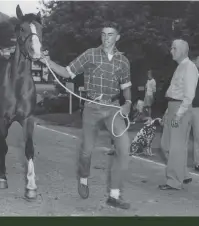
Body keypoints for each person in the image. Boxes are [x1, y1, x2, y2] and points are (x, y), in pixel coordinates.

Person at [40, 22, 132, 209]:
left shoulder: (123, 61)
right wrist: (47, 62)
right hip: (92, 106)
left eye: (111, 34)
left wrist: (128, 103)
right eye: (104, 34)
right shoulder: (90, 54)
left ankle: (114, 195)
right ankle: (83, 178)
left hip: (113, 108)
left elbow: (126, 87)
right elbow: (67, 72)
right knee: (87, 150)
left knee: (124, 148)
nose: (106, 38)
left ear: (118, 37)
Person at [158, 39, 198, 190]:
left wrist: (178, 114)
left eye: (174, 48)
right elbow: (174, 92)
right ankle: (183, 174)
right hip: (173, 106)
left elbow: (189, 95)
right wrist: (168, 112)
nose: (171, 51)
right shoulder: (180, 67)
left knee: (176, 146)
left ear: (182, 51)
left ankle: (174, 181)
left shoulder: (189, 67)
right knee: (165, 144)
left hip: (181, 109)